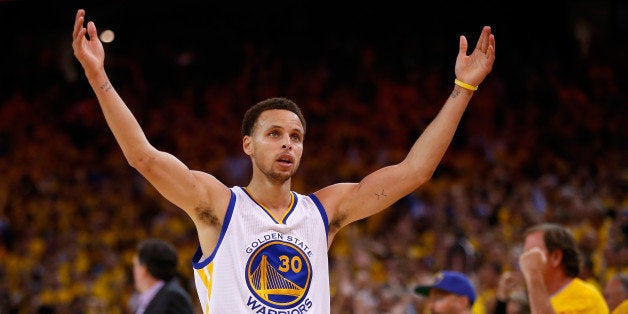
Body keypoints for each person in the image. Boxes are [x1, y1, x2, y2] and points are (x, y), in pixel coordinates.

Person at [72, 8, 496, 313]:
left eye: (296, 136)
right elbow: (143, 157)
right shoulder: (220, 206)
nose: (287, 144)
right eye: (274, 134)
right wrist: (98, 76)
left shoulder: (324, 210)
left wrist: (463, 88)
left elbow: (415, 171)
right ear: (248, 145)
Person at [519, 223, 609, 313]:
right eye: (524, 254)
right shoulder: (535, 298)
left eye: (531, 254)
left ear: (556, 257)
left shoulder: (584, 297)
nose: (525, 260)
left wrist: (534, 274)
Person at [131, 238, 195, 314]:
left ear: (144, 269)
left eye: (135, 266)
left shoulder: (173, 298)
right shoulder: (151, 300)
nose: (133, 271)